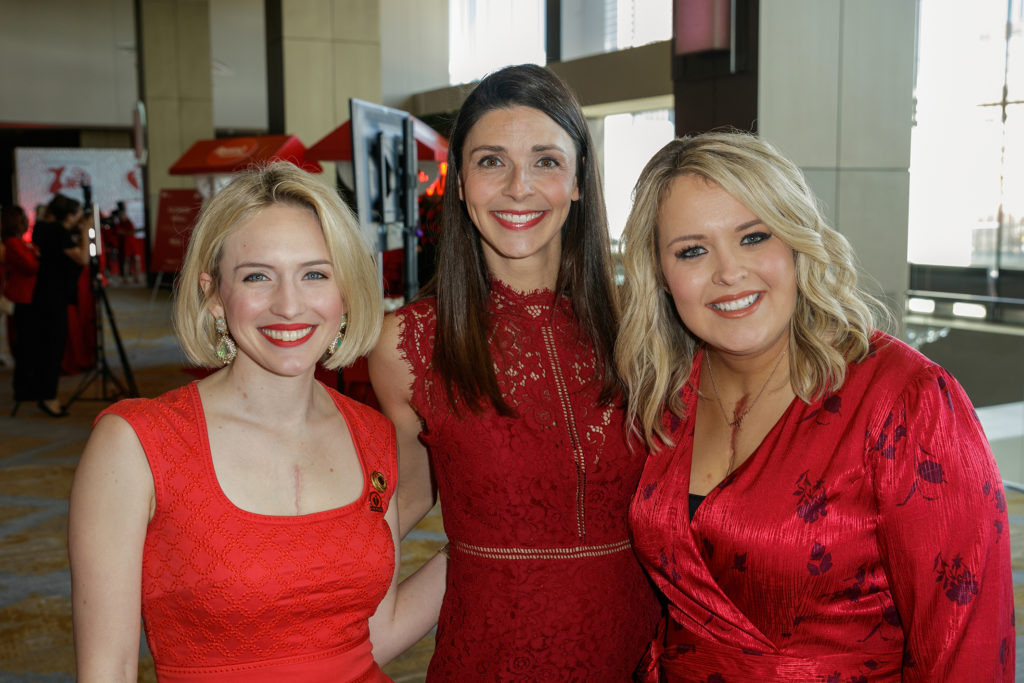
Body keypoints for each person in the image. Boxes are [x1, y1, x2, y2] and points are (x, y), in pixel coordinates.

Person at [616, 131, 1014, 681]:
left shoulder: (906, 401)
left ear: (796, 242)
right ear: (660, 275)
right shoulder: (664, 395)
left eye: (753, 237)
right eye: (692, 251)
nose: (729, 271)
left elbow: (965, 645)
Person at [68, 162, 447, 682]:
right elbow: (106, 670)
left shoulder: (372, 436)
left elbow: (371, 637)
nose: (289, 305)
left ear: (345, 292)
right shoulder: (135, 444)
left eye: (314, 274)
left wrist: (483, 544)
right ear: (214, 295)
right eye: (257, 277)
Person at [368, 64, 660, 679]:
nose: (518, 187)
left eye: (546, 161)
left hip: (640, 655)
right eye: (491, 161)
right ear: (460, 183)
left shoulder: (643, 332)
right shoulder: (408, 344)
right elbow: (405, 498)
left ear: (578, 181)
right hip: (489, 658)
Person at [12, 194, 89, 417]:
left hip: (39, 297)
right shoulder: (59, 232)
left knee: (38, 345)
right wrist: (86, 232)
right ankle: (49, 397)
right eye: (77, 215)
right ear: (69, 216)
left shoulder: (42, 229)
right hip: (53, 298)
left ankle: (34, 391)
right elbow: (83, 259)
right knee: (53, 347)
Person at [2, 205, 38, 370]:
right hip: (21, 296)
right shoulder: (13, 243)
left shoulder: (18, 242)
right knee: (23, 338)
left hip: (24, 294)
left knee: (26, 337)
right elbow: (30, 265)